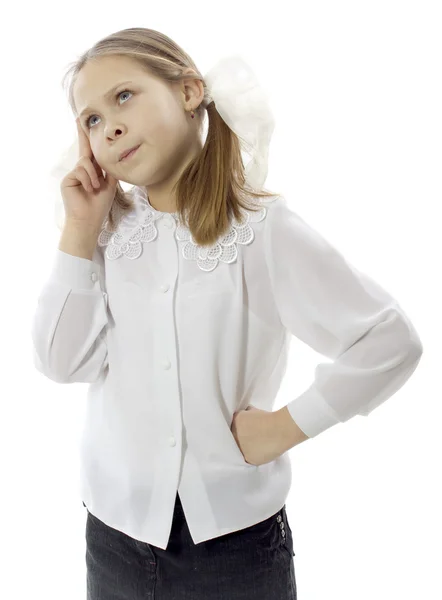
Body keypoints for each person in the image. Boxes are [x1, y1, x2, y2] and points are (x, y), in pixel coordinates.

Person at [31, 27, 423, 600]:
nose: (108, 126)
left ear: (190, 92)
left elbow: (389, 340)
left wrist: (286, 427)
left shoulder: (261, 229)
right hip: (113, 534)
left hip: (232, 551)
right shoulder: (107, 231)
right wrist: (79, 230)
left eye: (123, 97)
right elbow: (60, 363)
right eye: (90, 119)